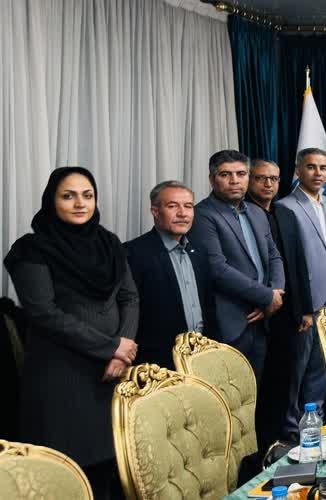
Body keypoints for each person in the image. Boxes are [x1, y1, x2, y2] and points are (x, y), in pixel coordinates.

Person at [5, 167, 139, 499]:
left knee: (111, 470)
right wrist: (112, 346)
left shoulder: (108, 242)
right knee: (67, 475)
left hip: (112, 373)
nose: (80, 203)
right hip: (62, 377)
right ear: (52, 201)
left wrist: (122, 351)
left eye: (87, 196)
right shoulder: (31, 249)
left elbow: (129, 297)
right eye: (68, 196)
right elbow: (44, 313)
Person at [189, 150, 285, 376]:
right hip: (230, 321)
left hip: (262, 317)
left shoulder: (257, 212)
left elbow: (274, 256)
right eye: (225, 174)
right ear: (212, 179)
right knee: (229, 390)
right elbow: (217, 269)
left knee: (255, 389)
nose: (234, 180)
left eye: (241, 174)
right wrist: (266, 296)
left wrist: (275, 292)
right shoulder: (202, 215)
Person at [275, 148, 326, 438]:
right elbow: (291, 262)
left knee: (321, 364)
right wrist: (301, 304)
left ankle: (314, 420)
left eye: (322, 168)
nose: (318, 173)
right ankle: (292, 429)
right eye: (311, 167)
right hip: (305, 302)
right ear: (298, 171)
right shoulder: (286, 207)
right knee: (298, 368)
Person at [246, 158, 312, 450]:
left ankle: (283, 439)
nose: (268, 184)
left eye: (274, 178)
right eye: (261, 178)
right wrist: (263, 297)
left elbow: (298, 262)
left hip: (288, 311)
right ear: (250, 181)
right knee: (260, 386)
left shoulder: (285, 213)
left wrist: (305, 308)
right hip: (254, 312)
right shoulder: (243, 213)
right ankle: (262, 447)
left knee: (286, 378)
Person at [124, 181, 213, 369]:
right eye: (173, 206)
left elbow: (209, 306)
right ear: (155, 211)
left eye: (188, 206)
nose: (182, 213)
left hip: (199, 358)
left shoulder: (200, 252)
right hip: (155, 365)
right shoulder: (133, 253)